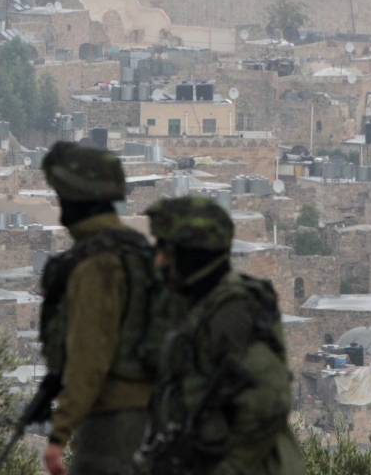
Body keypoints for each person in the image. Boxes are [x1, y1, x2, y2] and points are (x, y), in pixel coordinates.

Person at [141, 196, 305, 475]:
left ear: (190, 254)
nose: (158, 261)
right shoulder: (196, 306)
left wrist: (230, 468)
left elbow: (271, 398)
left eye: (165, 250)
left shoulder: (232, 312)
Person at [36, 142, 161, 475]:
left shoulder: (96, 265)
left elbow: (90, 355)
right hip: (156, 414)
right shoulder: (139, 252)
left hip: (114, 419)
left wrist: (59, 433)